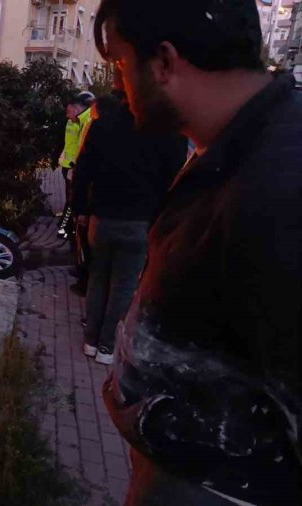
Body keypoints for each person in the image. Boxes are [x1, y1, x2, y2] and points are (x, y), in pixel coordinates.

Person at [93, 1, 301, 505]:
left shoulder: (281, 189)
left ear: (164, 62)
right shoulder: (234, 147)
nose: (120, 85)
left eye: (121, 63)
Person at [72, 75, 186, 366]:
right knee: (123, 286)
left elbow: (83, 171)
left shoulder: (101, 126)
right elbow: (175, 180)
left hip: (102, 217)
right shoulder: (169, 132)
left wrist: (82, 209)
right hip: (140, 221)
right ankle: (107, 348)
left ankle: (90, 341)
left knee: (98, 277)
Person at [56, 91, 96, 241]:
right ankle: (67, 227)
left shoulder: (87, 121)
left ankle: (65, 228)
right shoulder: (74, 120)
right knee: (71, 199)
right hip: (69, 166)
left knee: (72, 200)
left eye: (68, 111)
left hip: (76, 167)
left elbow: (83, 147)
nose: (67, 115)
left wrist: (76, 168)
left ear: (76, 108)